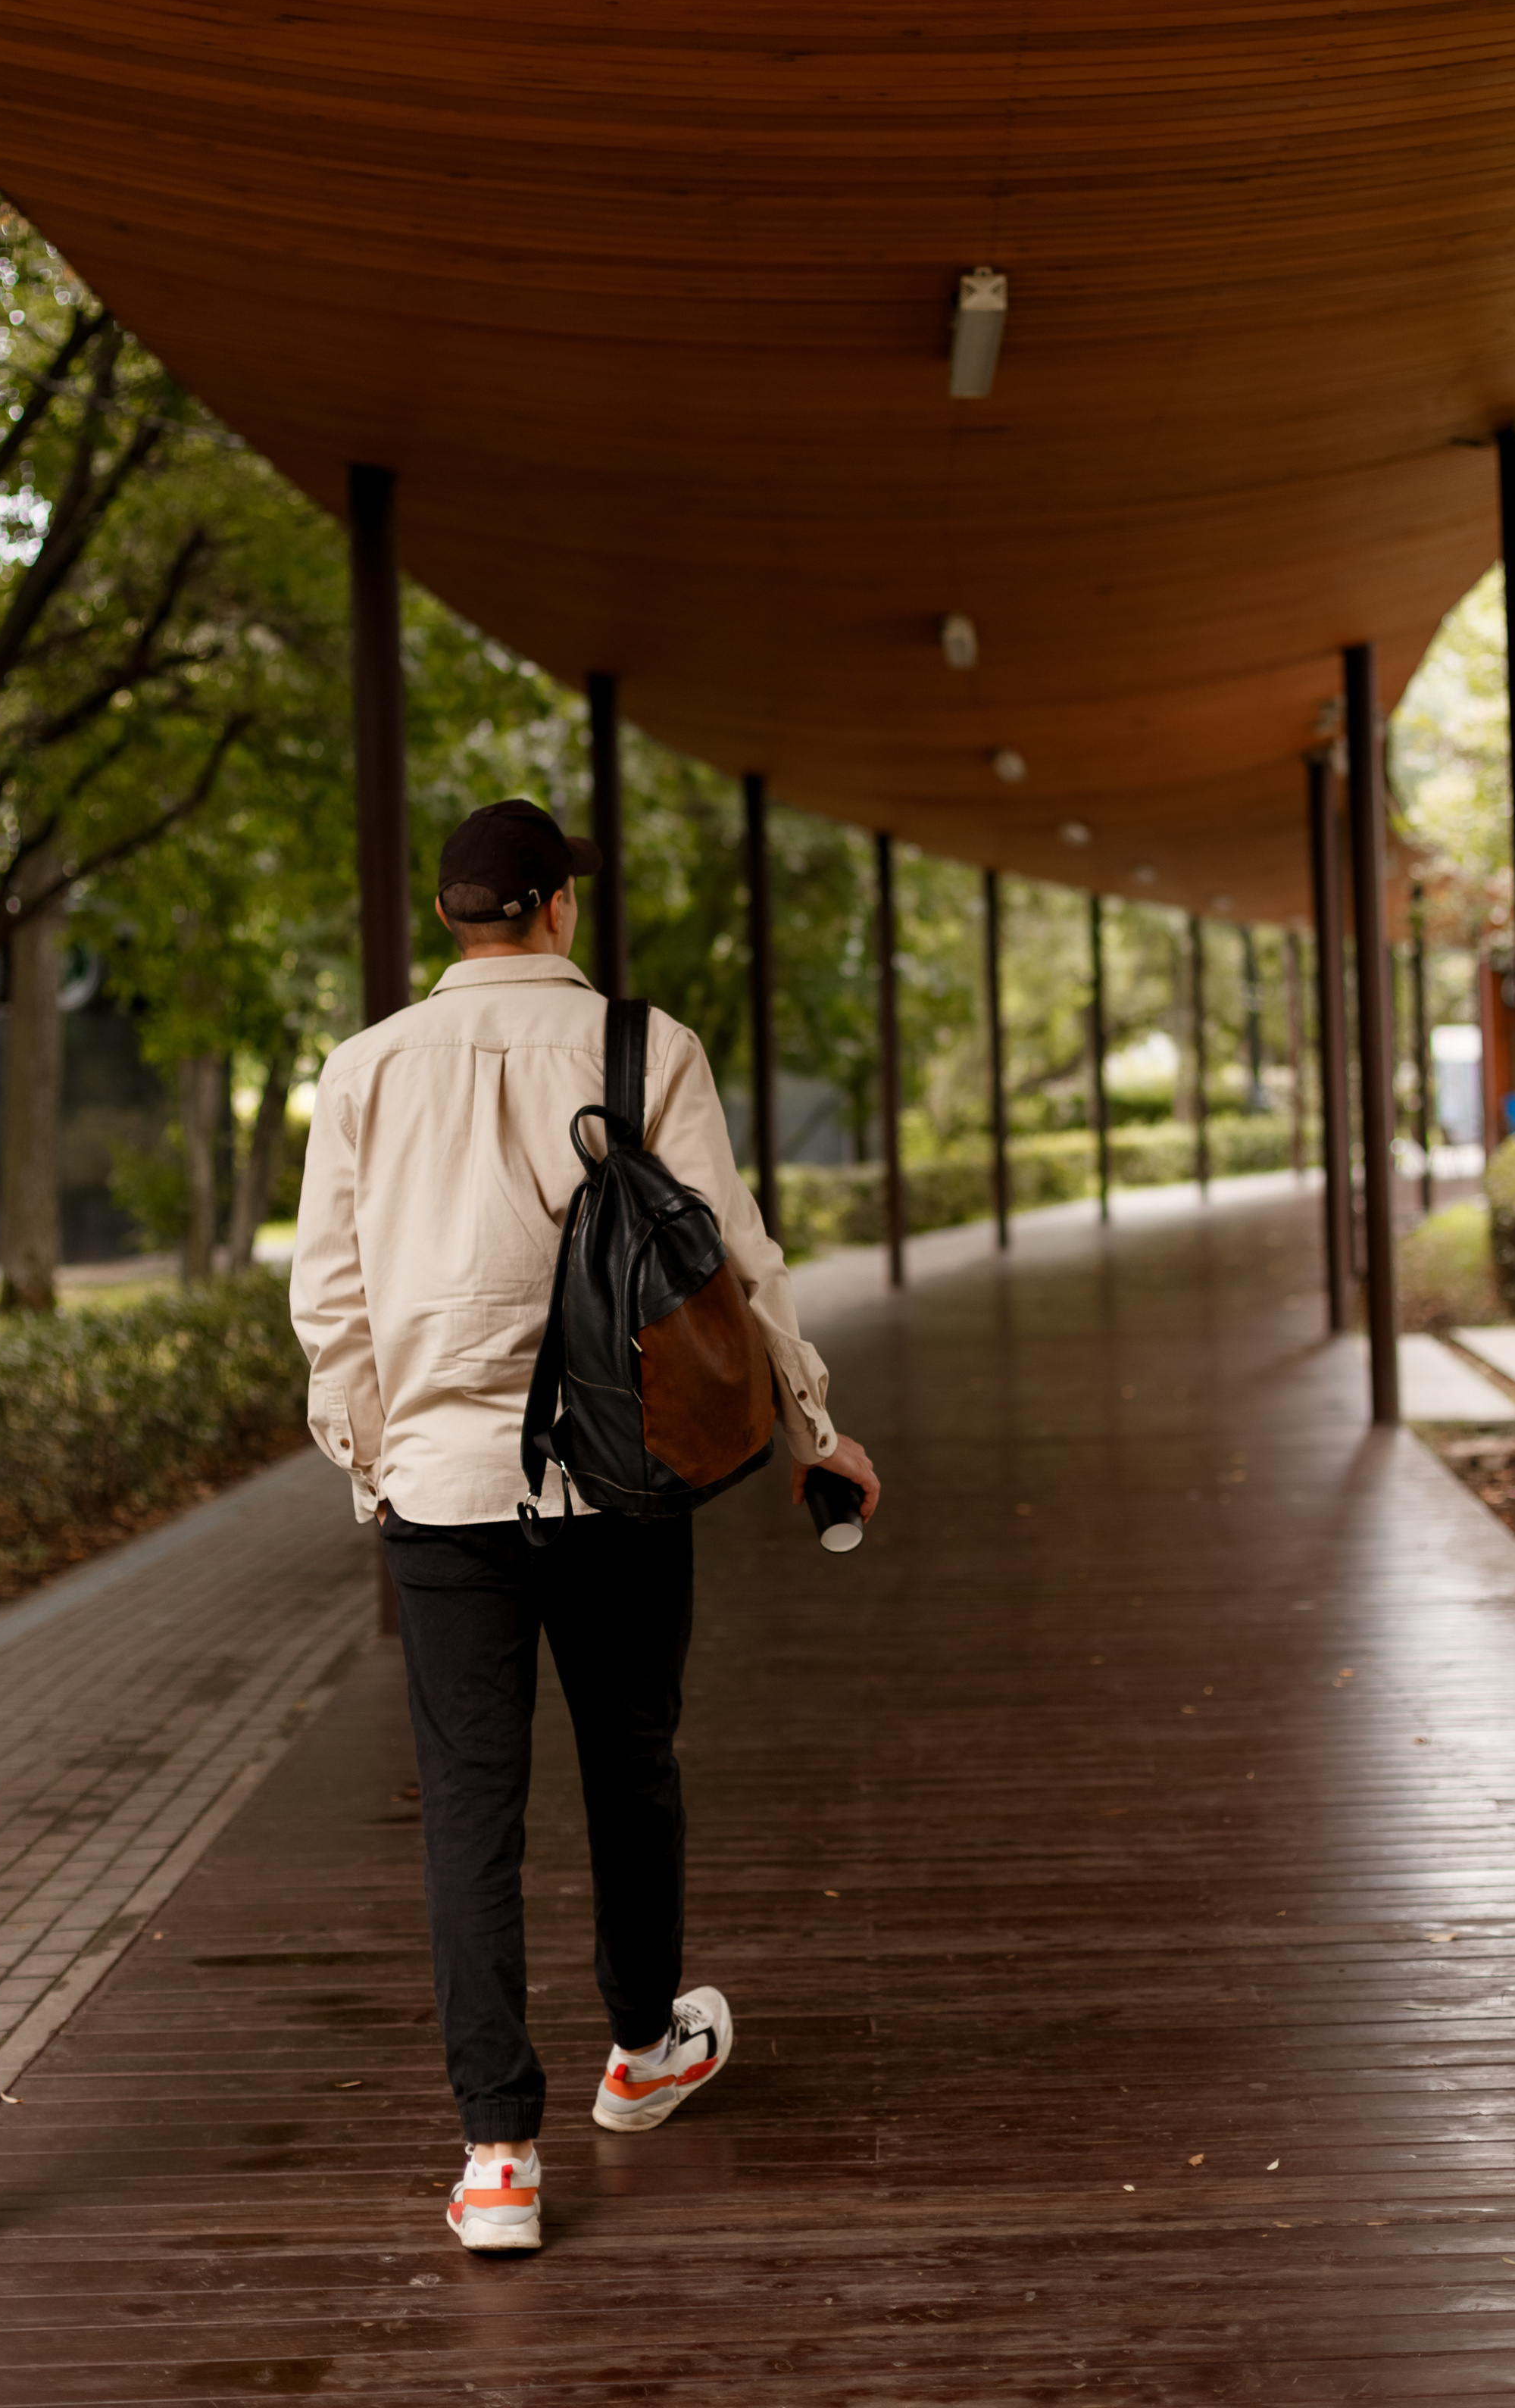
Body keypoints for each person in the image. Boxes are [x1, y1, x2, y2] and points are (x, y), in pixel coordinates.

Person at [290, 798, 878, 2254]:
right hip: (621, 1482)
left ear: (450, 920)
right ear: (555, 907)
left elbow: (331, 1304)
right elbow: (733, 1258)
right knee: (632, 1761)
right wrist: (817, 1428)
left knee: (471, 1810)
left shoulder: (362, 1071)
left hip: (441, 1496)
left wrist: (378, 1464)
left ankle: (497, 2155)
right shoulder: (642, 1048)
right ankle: (643, 2048)